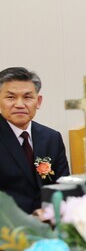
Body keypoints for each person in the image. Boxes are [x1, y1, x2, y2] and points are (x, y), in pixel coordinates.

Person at [0, 67, 70, 212]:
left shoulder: (52, 138)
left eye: (27, 97)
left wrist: (48, 212)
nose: (19, 104)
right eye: (11, 97)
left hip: (49, 221)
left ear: (38, 101)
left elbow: (62, 185)